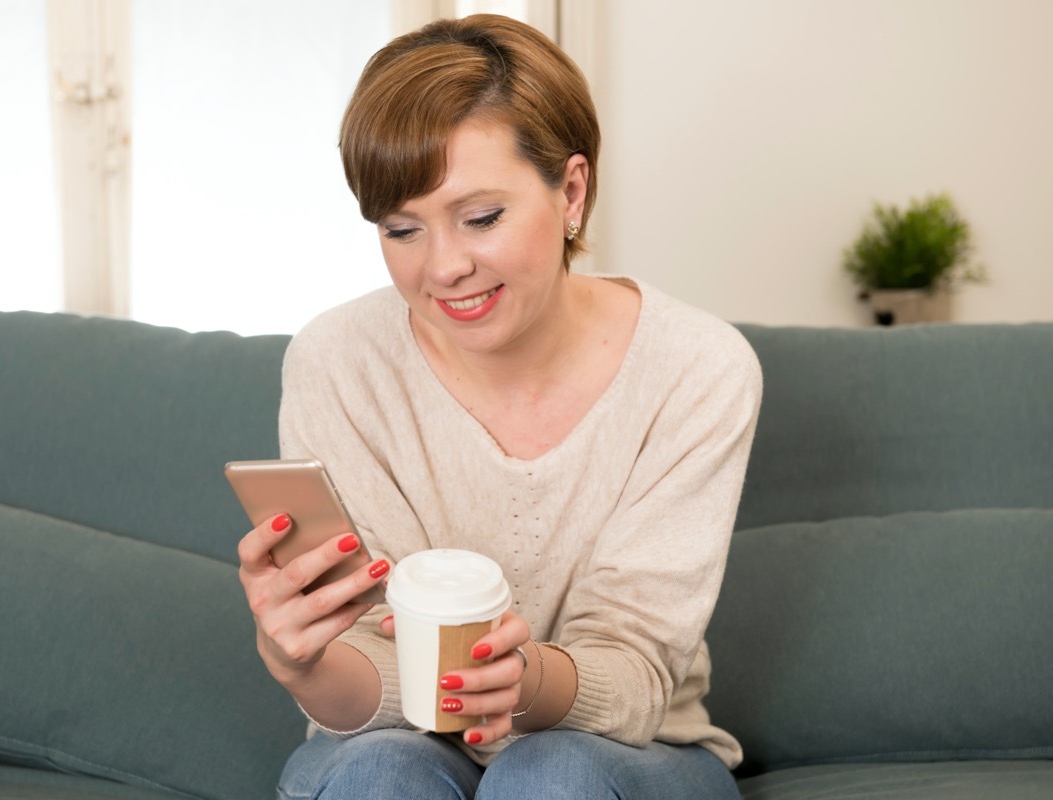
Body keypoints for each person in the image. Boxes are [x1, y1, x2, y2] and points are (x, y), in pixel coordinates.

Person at [237, 14, 762, 799]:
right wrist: (300, 663)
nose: (444, 267)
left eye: (481, 217)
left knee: (550, 774)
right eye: (402, 228)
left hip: (632, 753)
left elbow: (634, 673)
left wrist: (522, 683)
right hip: (395, 744)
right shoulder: (337, 363)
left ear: (572, 191)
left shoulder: (697, 369)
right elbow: (374, 676)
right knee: (381, 773)